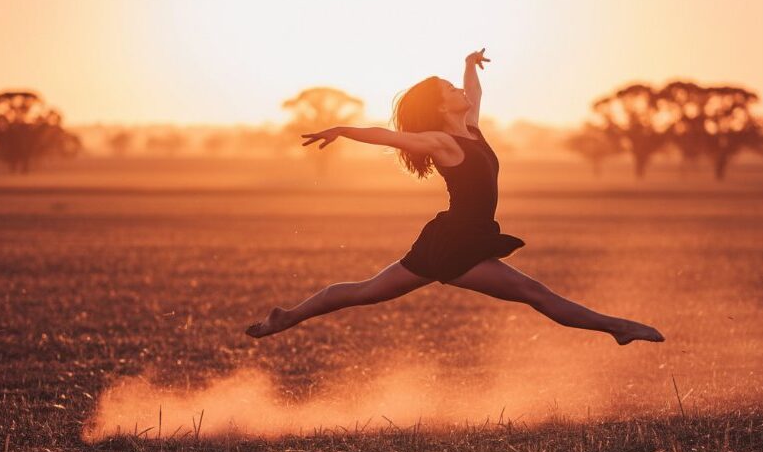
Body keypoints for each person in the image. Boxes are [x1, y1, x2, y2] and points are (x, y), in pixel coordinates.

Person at [246, 49, 664, 345]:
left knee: (365, 290)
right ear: (441, 106)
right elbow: (387, 135)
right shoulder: (441, 141)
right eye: (451, 89)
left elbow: (475, 94)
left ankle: (290, 315)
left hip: (457, 238)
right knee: (536, 294)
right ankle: (618, 328)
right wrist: (341, 130)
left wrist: (468, 66)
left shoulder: (472, 130)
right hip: (457, 245)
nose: (461, 92)